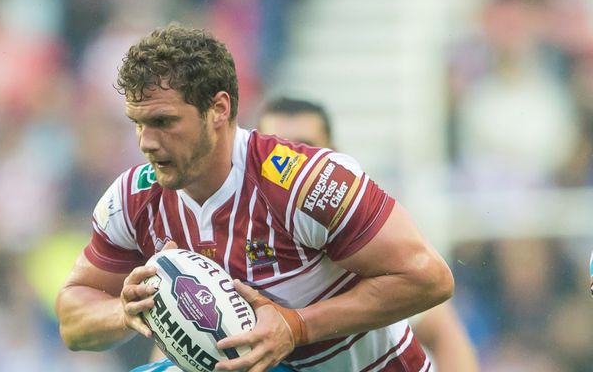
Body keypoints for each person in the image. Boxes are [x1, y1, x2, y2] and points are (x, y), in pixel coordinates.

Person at [56, 25, 454, 371]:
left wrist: (296, 326)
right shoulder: (132, 200)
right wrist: (122, 313)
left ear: (218, 108)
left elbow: (429, 277)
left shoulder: (303, 182)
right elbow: (72, 316)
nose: (146, 142)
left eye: (163, 122)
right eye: (138, 124)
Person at [257, 97, 480, 372]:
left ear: (332, 155)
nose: (288, 167)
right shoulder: (228, 243)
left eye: (304, 149)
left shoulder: (366, 244)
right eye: (275, 152)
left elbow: (445, 334)